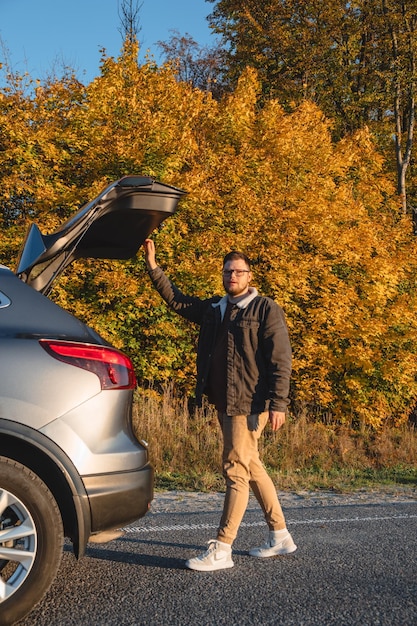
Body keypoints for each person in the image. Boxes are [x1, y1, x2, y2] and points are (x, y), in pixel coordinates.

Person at [143, 239, 296, 571]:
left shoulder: (265, 308)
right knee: (250, 465)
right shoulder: (216, 309)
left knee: (235, 471)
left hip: (249, 402)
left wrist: (279, 404)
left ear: (249, 275)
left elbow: (280, 360)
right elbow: (178, 302)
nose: (233, 276)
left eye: (239, 271)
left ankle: (223, 548)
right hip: (224, 402)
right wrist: (154, 267)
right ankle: (280, 535)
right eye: (228, 271)